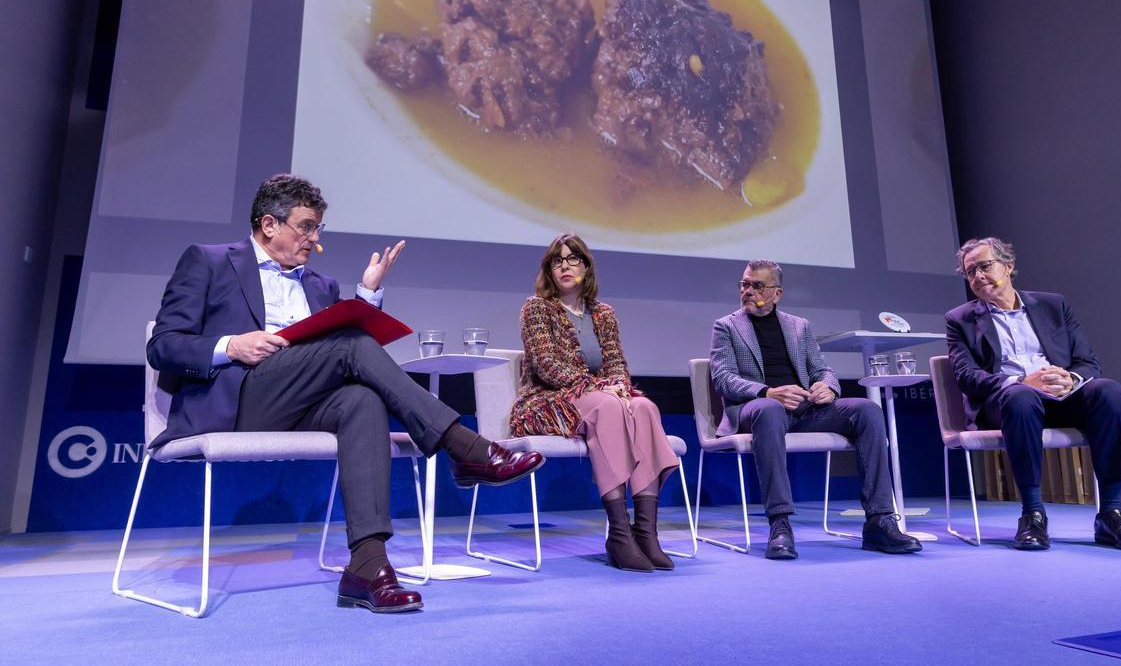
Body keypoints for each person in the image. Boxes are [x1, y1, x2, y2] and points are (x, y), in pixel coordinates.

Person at [147, 174, 544, 613]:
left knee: (362, 400)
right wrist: (232, 345)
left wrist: (366, 296)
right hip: (239, 398)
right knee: (351, 346)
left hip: (300, 403)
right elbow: (163, 346)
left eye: (318, 229)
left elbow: (331, 350)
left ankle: (368, 566)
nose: (315, 240)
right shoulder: (209, 261)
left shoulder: (321, 285)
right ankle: (464, 446)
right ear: (269, 224)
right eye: (306, 227)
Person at [945, 236, 1121, 551]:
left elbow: (1088, 361)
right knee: (1021, 397)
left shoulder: (1053, 305)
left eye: (984, 266)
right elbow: (966, 376)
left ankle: (1111, 514)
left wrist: (1070, 379)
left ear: (1008, 266)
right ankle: (1033, 514)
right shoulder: (959, 320)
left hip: (1062, 397)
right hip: (1008, 402)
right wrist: (1021, 381)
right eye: (970, 271)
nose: (977, 276)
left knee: (1109, 391)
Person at [709, 259, 921, 559]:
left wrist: (828, 387)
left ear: (777, 293)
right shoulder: (727, 326)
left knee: (867, 410)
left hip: (805, 411)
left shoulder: (799, 326)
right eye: (744, 284)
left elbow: (823, 370)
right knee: (770, 409)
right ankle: (779, 524)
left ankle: (879, 520)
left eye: (757, 285)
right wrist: (768, 392)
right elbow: (723, 378)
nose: (747, 291)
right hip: (756, 411)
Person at [511, 234, 678, 572]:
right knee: (608, 405)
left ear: (586, 268)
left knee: (644, 407)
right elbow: (546, 365)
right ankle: (619, 534)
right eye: (557, 260)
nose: (565, 266)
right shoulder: (537, 308)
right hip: (547, 400)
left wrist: (618, 386)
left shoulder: (603, 313)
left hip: (598, 395)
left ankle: (646, 534)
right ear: (549, 269)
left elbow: (617, 363)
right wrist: (602, 387)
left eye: (573, 259)